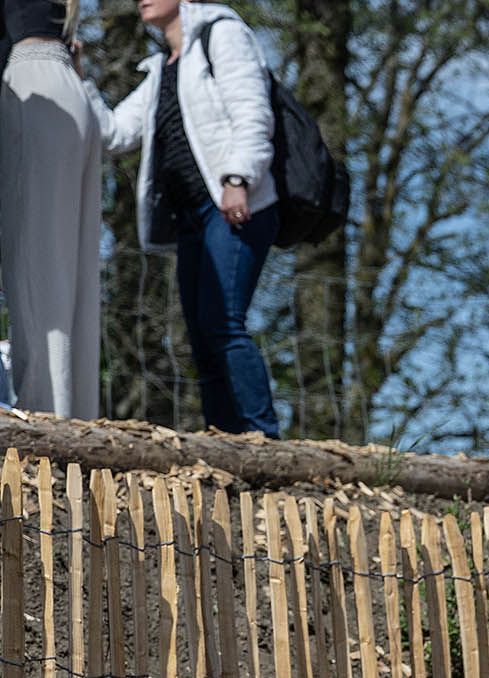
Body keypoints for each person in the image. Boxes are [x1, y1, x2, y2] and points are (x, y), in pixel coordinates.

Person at [85, 0, 280, 436]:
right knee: (202, 337)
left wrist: (238, 178)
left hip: (231, 203)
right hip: (191, 216)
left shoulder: (222, 34)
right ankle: (224, 441)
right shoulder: (160, 70)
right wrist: (80, 78)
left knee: (222, 323)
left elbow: (252, 110)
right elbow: (114, 134)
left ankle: (264, 440)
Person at [1, 0, 100, 420]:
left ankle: (46, 418)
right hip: (69, 87)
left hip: (33, 88)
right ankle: (72, 416)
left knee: (35, 266)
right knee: (71, 273)